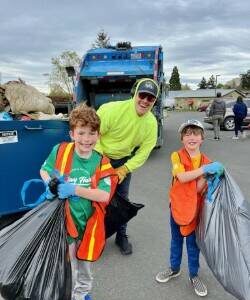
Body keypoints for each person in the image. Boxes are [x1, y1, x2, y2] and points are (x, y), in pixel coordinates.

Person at [40, 104, 113, 300]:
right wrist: (50, 184)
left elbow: (104, 195)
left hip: (89, 225)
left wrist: (75, 189)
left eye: (92, 133)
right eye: (81, 133)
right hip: (65, 224)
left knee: (85, 266)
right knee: (68, 266)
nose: (86, 139)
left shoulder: (101, 162)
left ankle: (83, 293)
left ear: (98, 135)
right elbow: (44, 170)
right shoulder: (60, 151)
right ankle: (70, 295)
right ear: (72, 133)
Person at [155, 119, 224, 297]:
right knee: (176, 240)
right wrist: (206, 170)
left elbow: (197, 190)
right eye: (187, 134)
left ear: (202, 138)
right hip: (177, 208)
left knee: (193, 245)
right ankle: (174, 268)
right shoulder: (176, 156)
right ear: (182, 139)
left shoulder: (207, 161)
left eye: (195, 134)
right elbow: (182, 177)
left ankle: (194, 275)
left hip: (194, 210)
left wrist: (213, 176)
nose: (191, 137)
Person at [95, 78, 159, 255]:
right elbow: (93, 135)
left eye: (150, 98)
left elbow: (144, 152)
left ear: (154, 101)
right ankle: (93, 238)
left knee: (122, 202)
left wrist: (124, 169)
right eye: (142, 95)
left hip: (123, 161)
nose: (145, 101)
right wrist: (103, 162)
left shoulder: (151, 124)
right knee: (96, 200)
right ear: (135, 94)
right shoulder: (112, 110)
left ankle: (121, 236)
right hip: (99, 157)